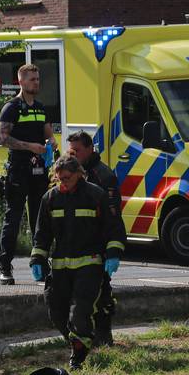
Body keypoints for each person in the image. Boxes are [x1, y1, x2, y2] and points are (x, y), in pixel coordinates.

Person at [28, 158, 125, 369]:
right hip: (61, 267)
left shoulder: (95, 195)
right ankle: (78, 343)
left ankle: (79, 356)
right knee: (56, 310)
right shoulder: (50, 198)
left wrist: (113, 252)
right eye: (59, 178)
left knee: (81, 311)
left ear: (79, 173)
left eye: (67, 178)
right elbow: (42, 234)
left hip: (90, 264)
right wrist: (38, 258)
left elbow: (113, 227)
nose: (63, 182)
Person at [0, 64, 57, 285]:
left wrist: (51, 142)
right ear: (21, 82)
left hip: (39, 171)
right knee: (13, 218)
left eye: (38, 79)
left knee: (40, 219)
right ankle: (4, 267)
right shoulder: (12, 107)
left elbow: (48, 133)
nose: (36, 83)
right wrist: (29, 146)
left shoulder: (41, 108)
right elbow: (2, 139)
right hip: (19, 170)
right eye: (32, 79)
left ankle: (40, 265)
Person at [64, 131, 122, 346]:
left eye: (77, 151)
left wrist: (113, 251)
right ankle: (84, 338)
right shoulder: (72, 173)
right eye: (71, 151)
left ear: (90, 149)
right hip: (77, 246)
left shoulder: (103, 176)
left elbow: (114, 218)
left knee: (102, 295)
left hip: (98, 246)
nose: (74, 155)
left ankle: (104, 337)